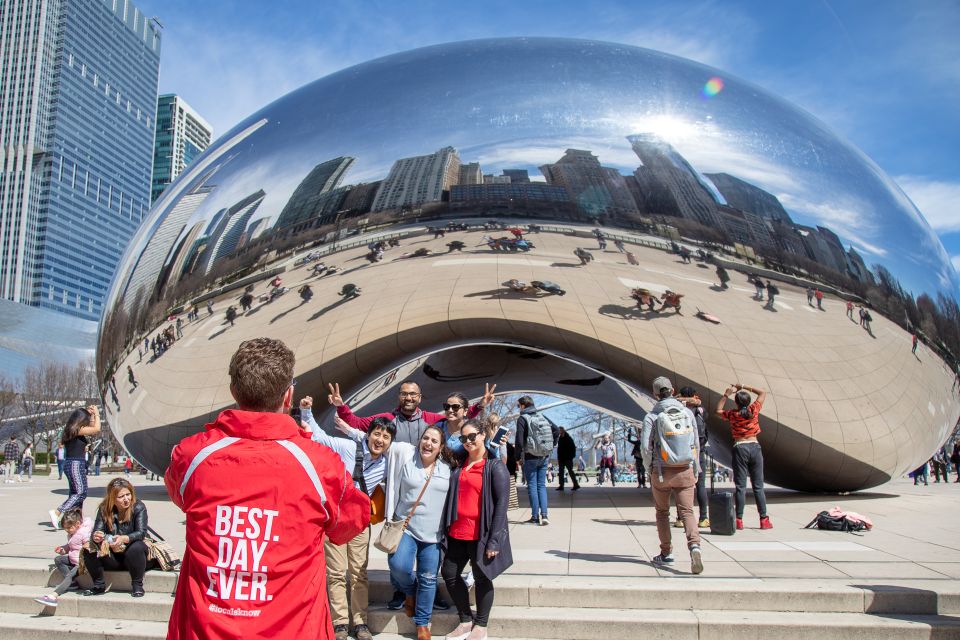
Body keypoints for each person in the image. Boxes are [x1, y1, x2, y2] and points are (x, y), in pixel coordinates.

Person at [164, 338, 370, 639]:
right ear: (289, 395)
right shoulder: (320, 466)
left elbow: (180, 497)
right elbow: (349, 524)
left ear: (234, 391)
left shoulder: (192, 456)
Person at [340, 422, 453, 640]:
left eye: (434, 441)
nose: (428, 443)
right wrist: (346, 422)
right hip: (405, 528)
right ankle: (410, 592)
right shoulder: (405, 455)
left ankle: (422, 624)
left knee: (428, 578)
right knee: (398, 566)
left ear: (441, 447)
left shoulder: (448, 468)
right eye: (426, 438)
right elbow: (378, 440)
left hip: (434, 535)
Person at [303, 400, 394, 640]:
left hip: (360, 523)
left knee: (358, 573)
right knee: (335, 573)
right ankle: (340, 623)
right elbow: (320, 437)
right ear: (369, 434)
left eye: (386, 437)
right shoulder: (347, 448)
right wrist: (306, 411)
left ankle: (361, 622)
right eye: (377, 434)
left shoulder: (388, 462)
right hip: (336, 520)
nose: (380, 440)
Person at [441, 420, 514, 640]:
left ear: (483, 435)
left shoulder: (494, 466)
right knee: (450, 573)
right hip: (457, 532)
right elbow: (445, 447)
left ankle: (481, 625)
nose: (468, 442)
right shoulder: (460, 461)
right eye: (463, 438)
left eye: (472, 436)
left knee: (482, 578)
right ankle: (465, 620)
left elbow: (502, 503)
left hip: (480, 533)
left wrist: (494, 540)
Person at [640, 376, 703, 574]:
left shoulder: (652, 417)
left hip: (661, 472)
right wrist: (696, 467)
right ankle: (694, 546)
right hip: (685, 470)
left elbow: (645, 447)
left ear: (655, 394)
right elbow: (696, 443)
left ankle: (666, 553)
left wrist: (649, 467)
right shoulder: (687, 413)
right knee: (687, 512)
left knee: (662, 512)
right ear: (672, 390)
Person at [329, 381, 493, 446]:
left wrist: (479, 406)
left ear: (419, 398)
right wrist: (341, 406)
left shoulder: (429, 419)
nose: (409, 397)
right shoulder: (387, 419)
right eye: (404, 394)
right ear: (399, 396)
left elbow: (457, 417)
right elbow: (356, 423)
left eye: (413, 394)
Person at [80, 478, 152, 597]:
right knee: (89, 548)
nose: (126, 499)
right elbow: (97, 530)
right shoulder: (104, 508)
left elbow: (141, 532)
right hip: (113, 555)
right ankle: (98, 585)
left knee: (137, 547)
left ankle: (137, 585)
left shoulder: (138, 506)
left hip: (135, 556)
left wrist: (124, 538)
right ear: (112, 498)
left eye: (128, 494)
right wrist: (97, 536)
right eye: (121, 496)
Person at [715, 383, 772, 530]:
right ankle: (764, 520)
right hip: (755, 446)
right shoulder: (754, 409)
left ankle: (739, 519)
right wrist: (744, 386)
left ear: (736, 403)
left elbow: (718, 411)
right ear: (748, 402)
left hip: (740, 448)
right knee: (758, 486)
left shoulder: (733, 414)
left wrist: (726, 394)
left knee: (741, 487)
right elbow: (762, 393)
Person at [49, 406, 101, 528]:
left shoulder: (72, 429)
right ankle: (57, 512)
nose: (88, 422)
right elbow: (96, 429)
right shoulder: (76, 429)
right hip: (75, 464)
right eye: (86, 419)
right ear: (81, 419)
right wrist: (97, 414)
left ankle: (75, 521)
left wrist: (92, 414)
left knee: (75, 494)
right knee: (80, 493)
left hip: (74, 463)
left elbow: (92, 427)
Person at [33, 509, 93, 607]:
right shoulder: (71, 534)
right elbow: (70, 546)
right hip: (73, 559)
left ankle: (53, 596)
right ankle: (72, 584)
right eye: (65, 528)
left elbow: (88, 545)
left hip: (82, 563)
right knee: (58, 559)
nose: (67, 530)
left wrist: (86, 553)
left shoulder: (83, 533)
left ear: (78, 524)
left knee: (69, 575)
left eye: (69, 527)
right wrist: (62, 550)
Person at [515, 396, 558, 526]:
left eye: (518, 406)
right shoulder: (542, 416)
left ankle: (534, 518)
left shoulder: (523, 419)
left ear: (523, 405)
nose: (518, 408)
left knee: (532, 486)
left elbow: (519, 441)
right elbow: (556, 430)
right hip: (544, 456)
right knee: (541, 486)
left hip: (530, 457)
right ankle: (544, 515)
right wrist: (551, 446)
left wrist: (518, 457)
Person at [678, 386, 709, 528]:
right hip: (699, 451)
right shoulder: (700, 410)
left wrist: (680, 398)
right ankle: (703, 518)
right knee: (700, 485)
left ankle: (680, 518)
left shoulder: (678, 409)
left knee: (681, 486)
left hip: (683, 452)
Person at [555, 427, 579, 491]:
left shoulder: (568, 438)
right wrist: (558, 457)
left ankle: (576, 484)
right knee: (561, 472)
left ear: (563, 431)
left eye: (559, 431)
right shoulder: (560, 438)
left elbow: (573, 448)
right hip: (561, 458)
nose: (559, 432)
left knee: (570, 471)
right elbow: (559, 449)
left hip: (568, 458)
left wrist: (571, 456)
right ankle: (561, 485)